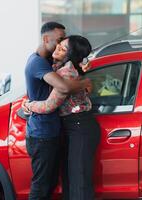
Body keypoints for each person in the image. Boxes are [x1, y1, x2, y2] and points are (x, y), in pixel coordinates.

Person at [23, 35, 101, 200]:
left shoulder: (66, 73)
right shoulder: (59, 66)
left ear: (70, 55)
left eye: (63, 48)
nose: (57, 47)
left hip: (80, 126)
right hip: (70, 127)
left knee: (79, 180)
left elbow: (49, 105)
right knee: (69, 179)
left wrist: (29, 105)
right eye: (59, 44)